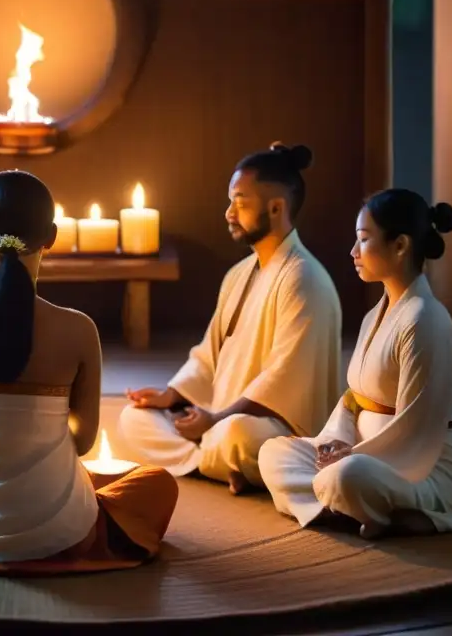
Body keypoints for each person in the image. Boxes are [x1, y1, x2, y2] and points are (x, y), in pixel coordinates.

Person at [0, 170, 178, 567]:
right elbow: (84, 443)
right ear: (52, 236)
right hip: (63, 533)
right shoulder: (79, 328)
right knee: (158, 484)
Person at [258, 189, 452, 538]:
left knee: (347, 476)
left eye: (364, 240)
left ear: (400, 246)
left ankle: (386, 507)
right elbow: (354, 398)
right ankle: (368, 512)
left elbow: (417, 429)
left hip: (427, 467)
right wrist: (336, 441)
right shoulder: (377, 314)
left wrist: (351, 455)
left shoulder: (424, 319)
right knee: (274, 452)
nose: (353, 252)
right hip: (365, 454)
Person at [118, 143, 342, 494]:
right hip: (218, 419)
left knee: (237, 435)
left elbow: (285, 379)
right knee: (134, 419)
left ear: (276, 207)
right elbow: (210, 355)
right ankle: (221, 467)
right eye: (230, 201)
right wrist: (171, 396)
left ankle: (220, 461)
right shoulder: (239, 273)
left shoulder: (304, 279)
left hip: (273, 427)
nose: (228, 213)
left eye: (240, 202)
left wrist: (216, 419)